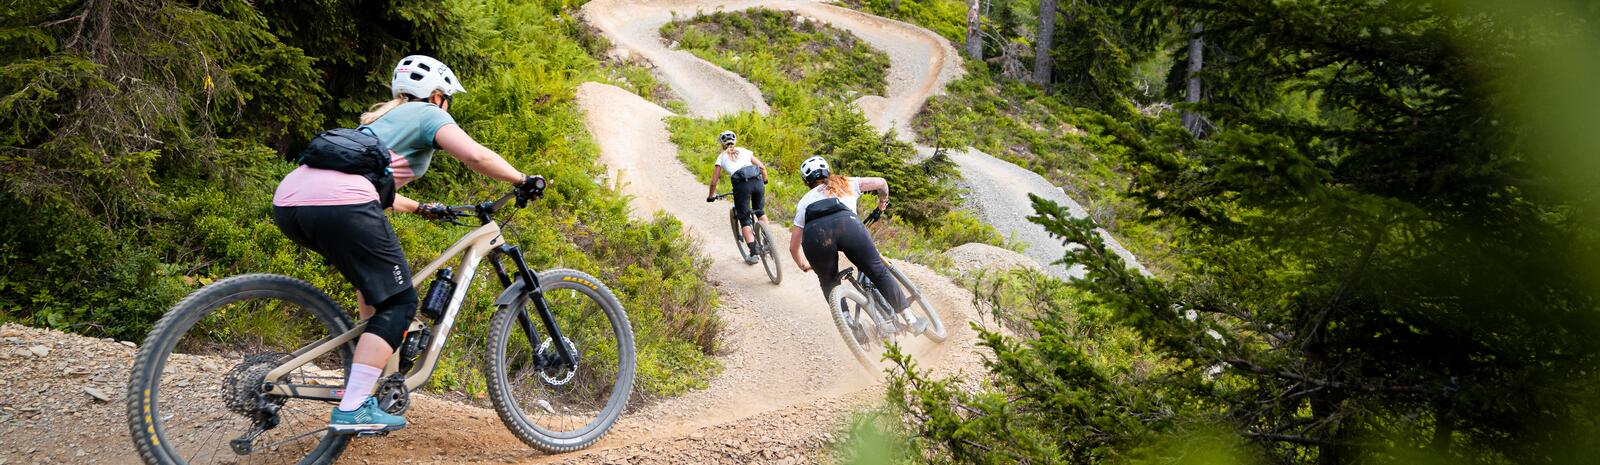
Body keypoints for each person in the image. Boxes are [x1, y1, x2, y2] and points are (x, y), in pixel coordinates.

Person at [271, 55, 540, 434]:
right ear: (436, 95)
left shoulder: (374, 124)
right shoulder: (429, 115)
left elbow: (377, 192)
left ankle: (371, 376)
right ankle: (354, 408)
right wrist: (522, 179)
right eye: (447, 98)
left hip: (291, 201)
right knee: (400, 302)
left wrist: (423, 208)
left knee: (376, 293)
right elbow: (474, 155)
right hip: (341, 203)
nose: (447, 105)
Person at [787, 156, 925, 333]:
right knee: (877, 270)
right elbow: (882, 183)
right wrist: (882, 203)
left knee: (828, 281)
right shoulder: (847, 182)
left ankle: (850, 326)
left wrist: (803, 264)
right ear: (828, 171)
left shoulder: (804, 202)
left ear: (806, 181)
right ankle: (910, 319)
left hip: (817, 236)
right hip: (848, 226)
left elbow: (793, 246)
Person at [704, 130, 770, 264]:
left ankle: (753, 253)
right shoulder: (745, 151)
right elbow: (762, 167)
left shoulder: (721, 157)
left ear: (722, 144)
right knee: (759, 211)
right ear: (735, 141)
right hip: (757, 181)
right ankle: (768, 239)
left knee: (744, 219)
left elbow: (713, 182)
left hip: (741, 187)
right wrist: (765, 180)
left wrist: (711, 196)